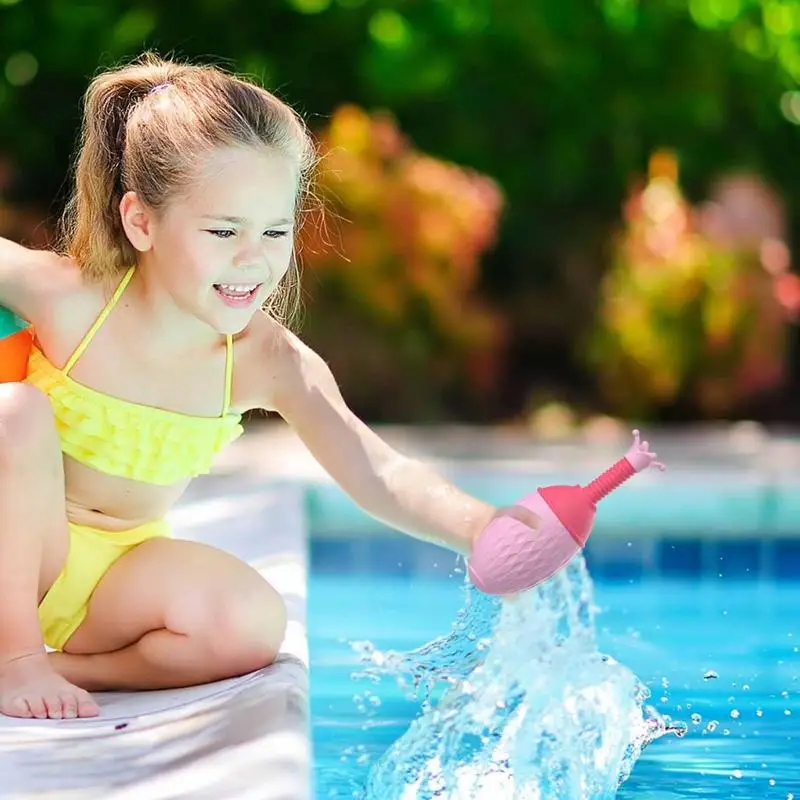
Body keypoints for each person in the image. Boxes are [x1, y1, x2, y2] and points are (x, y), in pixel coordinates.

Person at [0, 53, 539, 720]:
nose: (252, 258)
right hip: (21, 544)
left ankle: (66, 669)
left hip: (114, 582)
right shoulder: (72, 299)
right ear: (141, 222)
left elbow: (380, 471)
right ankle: (14, 657)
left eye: (275, 231)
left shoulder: (263, 359)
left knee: (252, 624)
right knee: (13, 412)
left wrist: (486, 529)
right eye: (224, 231)